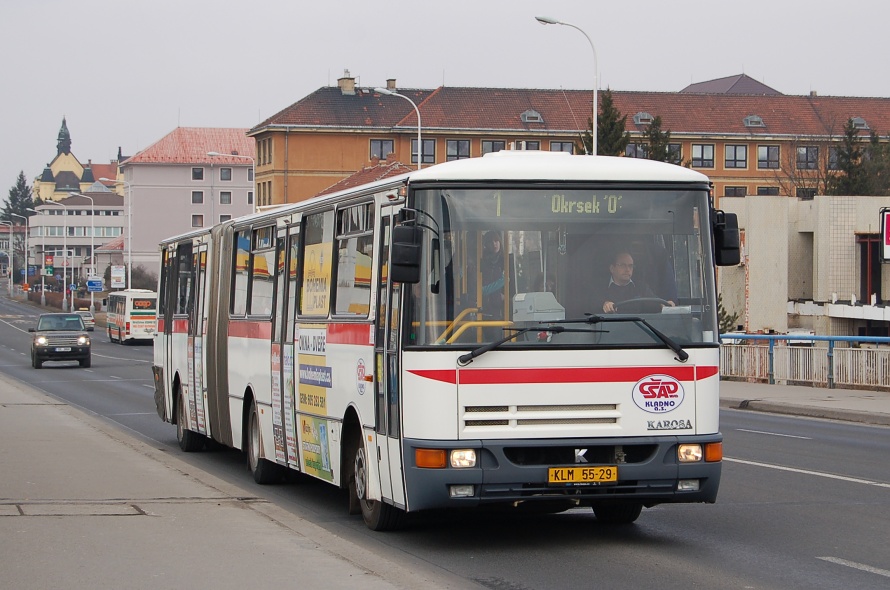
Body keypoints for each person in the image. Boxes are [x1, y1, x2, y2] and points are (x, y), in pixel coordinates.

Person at [600, 250, 674, 313]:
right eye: (622, 265)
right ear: (612, 268)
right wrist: (605, 304)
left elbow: (654, 302)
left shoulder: (641, 287)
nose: (627, 269)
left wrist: (664, 305)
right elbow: (593, 304)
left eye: (630, 266)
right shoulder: (601, 288)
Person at [480, 231, 505, 322]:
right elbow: (481, 290)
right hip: (483, 309)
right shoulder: (482, 263)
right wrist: (502, 282)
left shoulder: (505, 261)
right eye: (490, 242)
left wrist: (505, 297)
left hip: (501, 310)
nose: (494, 244)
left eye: (496, 241)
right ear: (486, 245)